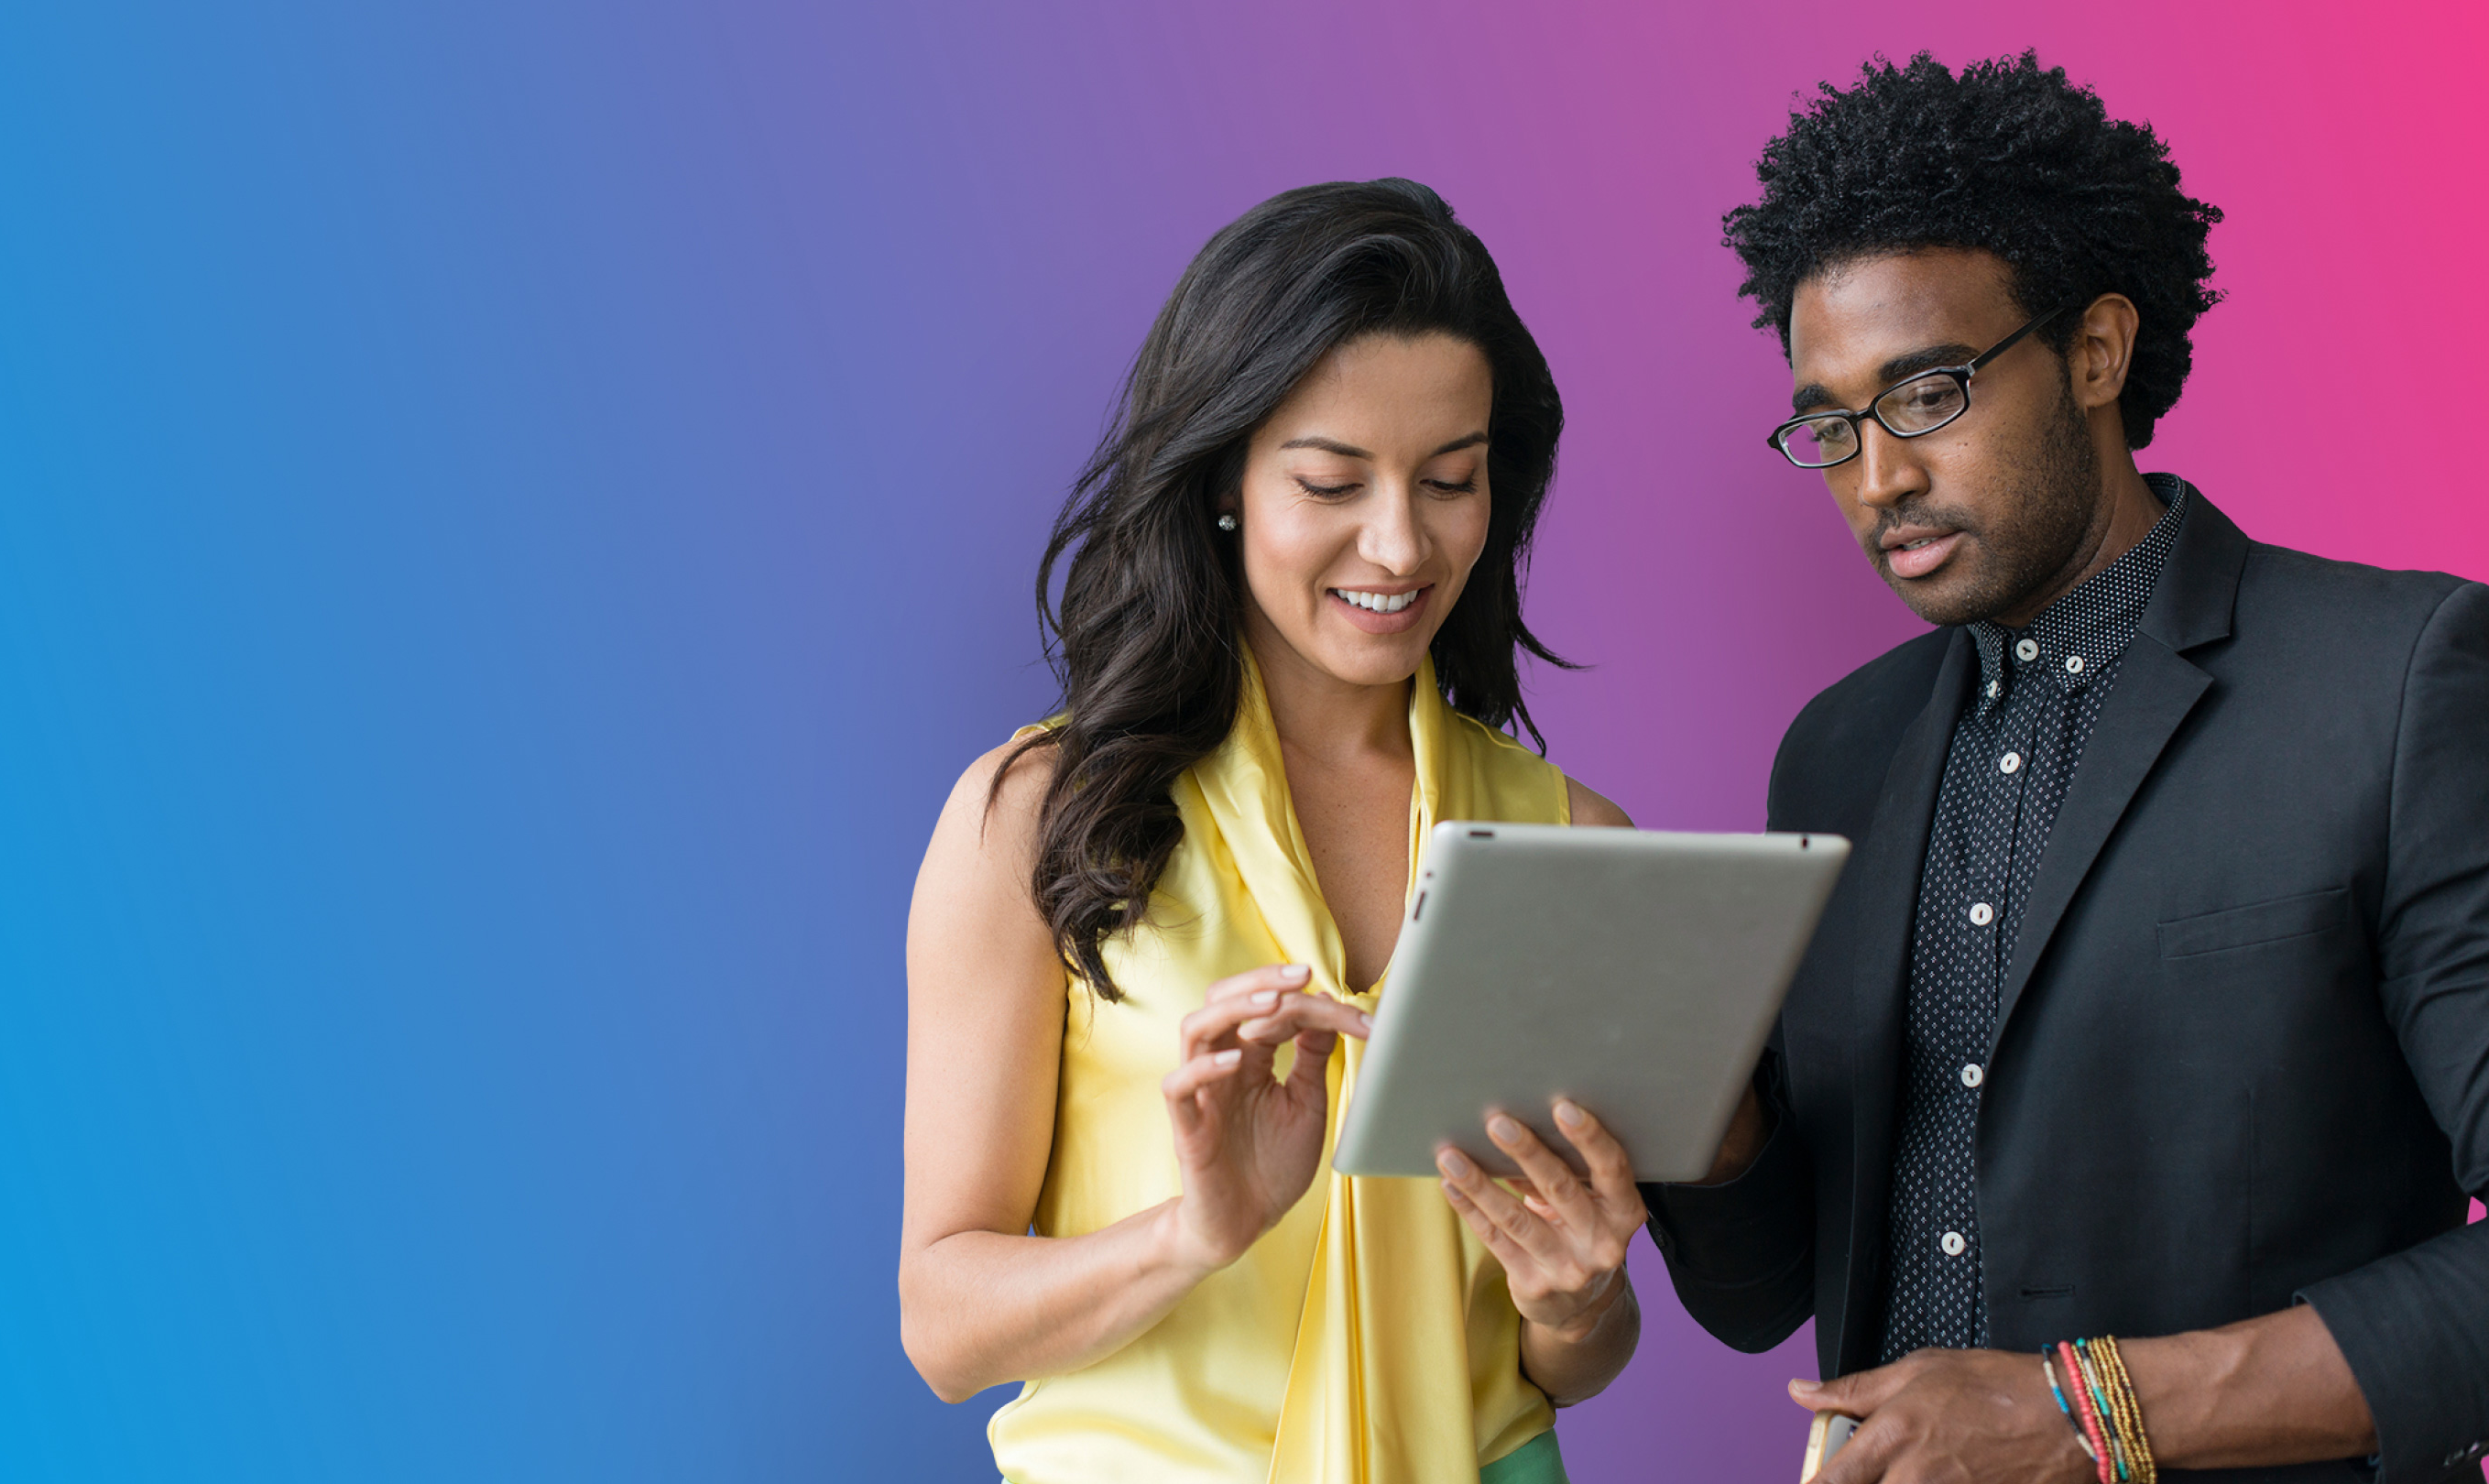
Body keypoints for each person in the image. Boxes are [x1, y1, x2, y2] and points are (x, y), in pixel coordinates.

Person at [1639, 52, 2489, 1484]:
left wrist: (2084, 1416)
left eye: (1926, 393)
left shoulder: (2397, 682)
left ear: (2094, 352)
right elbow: (1763, 1293)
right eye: (1832, 425)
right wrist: (1685, 1109)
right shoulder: (1835, 754)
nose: (1878, 480)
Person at [900, 179, 1648, 1484]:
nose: (1401, 541)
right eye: (1332, 480)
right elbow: (943, 1329)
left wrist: (1580, 1298)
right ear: (1227, 480)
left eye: (1452, 480)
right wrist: (1195, 1231)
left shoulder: (1573, 841)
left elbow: (1557, 1363)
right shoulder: (1038, 818)